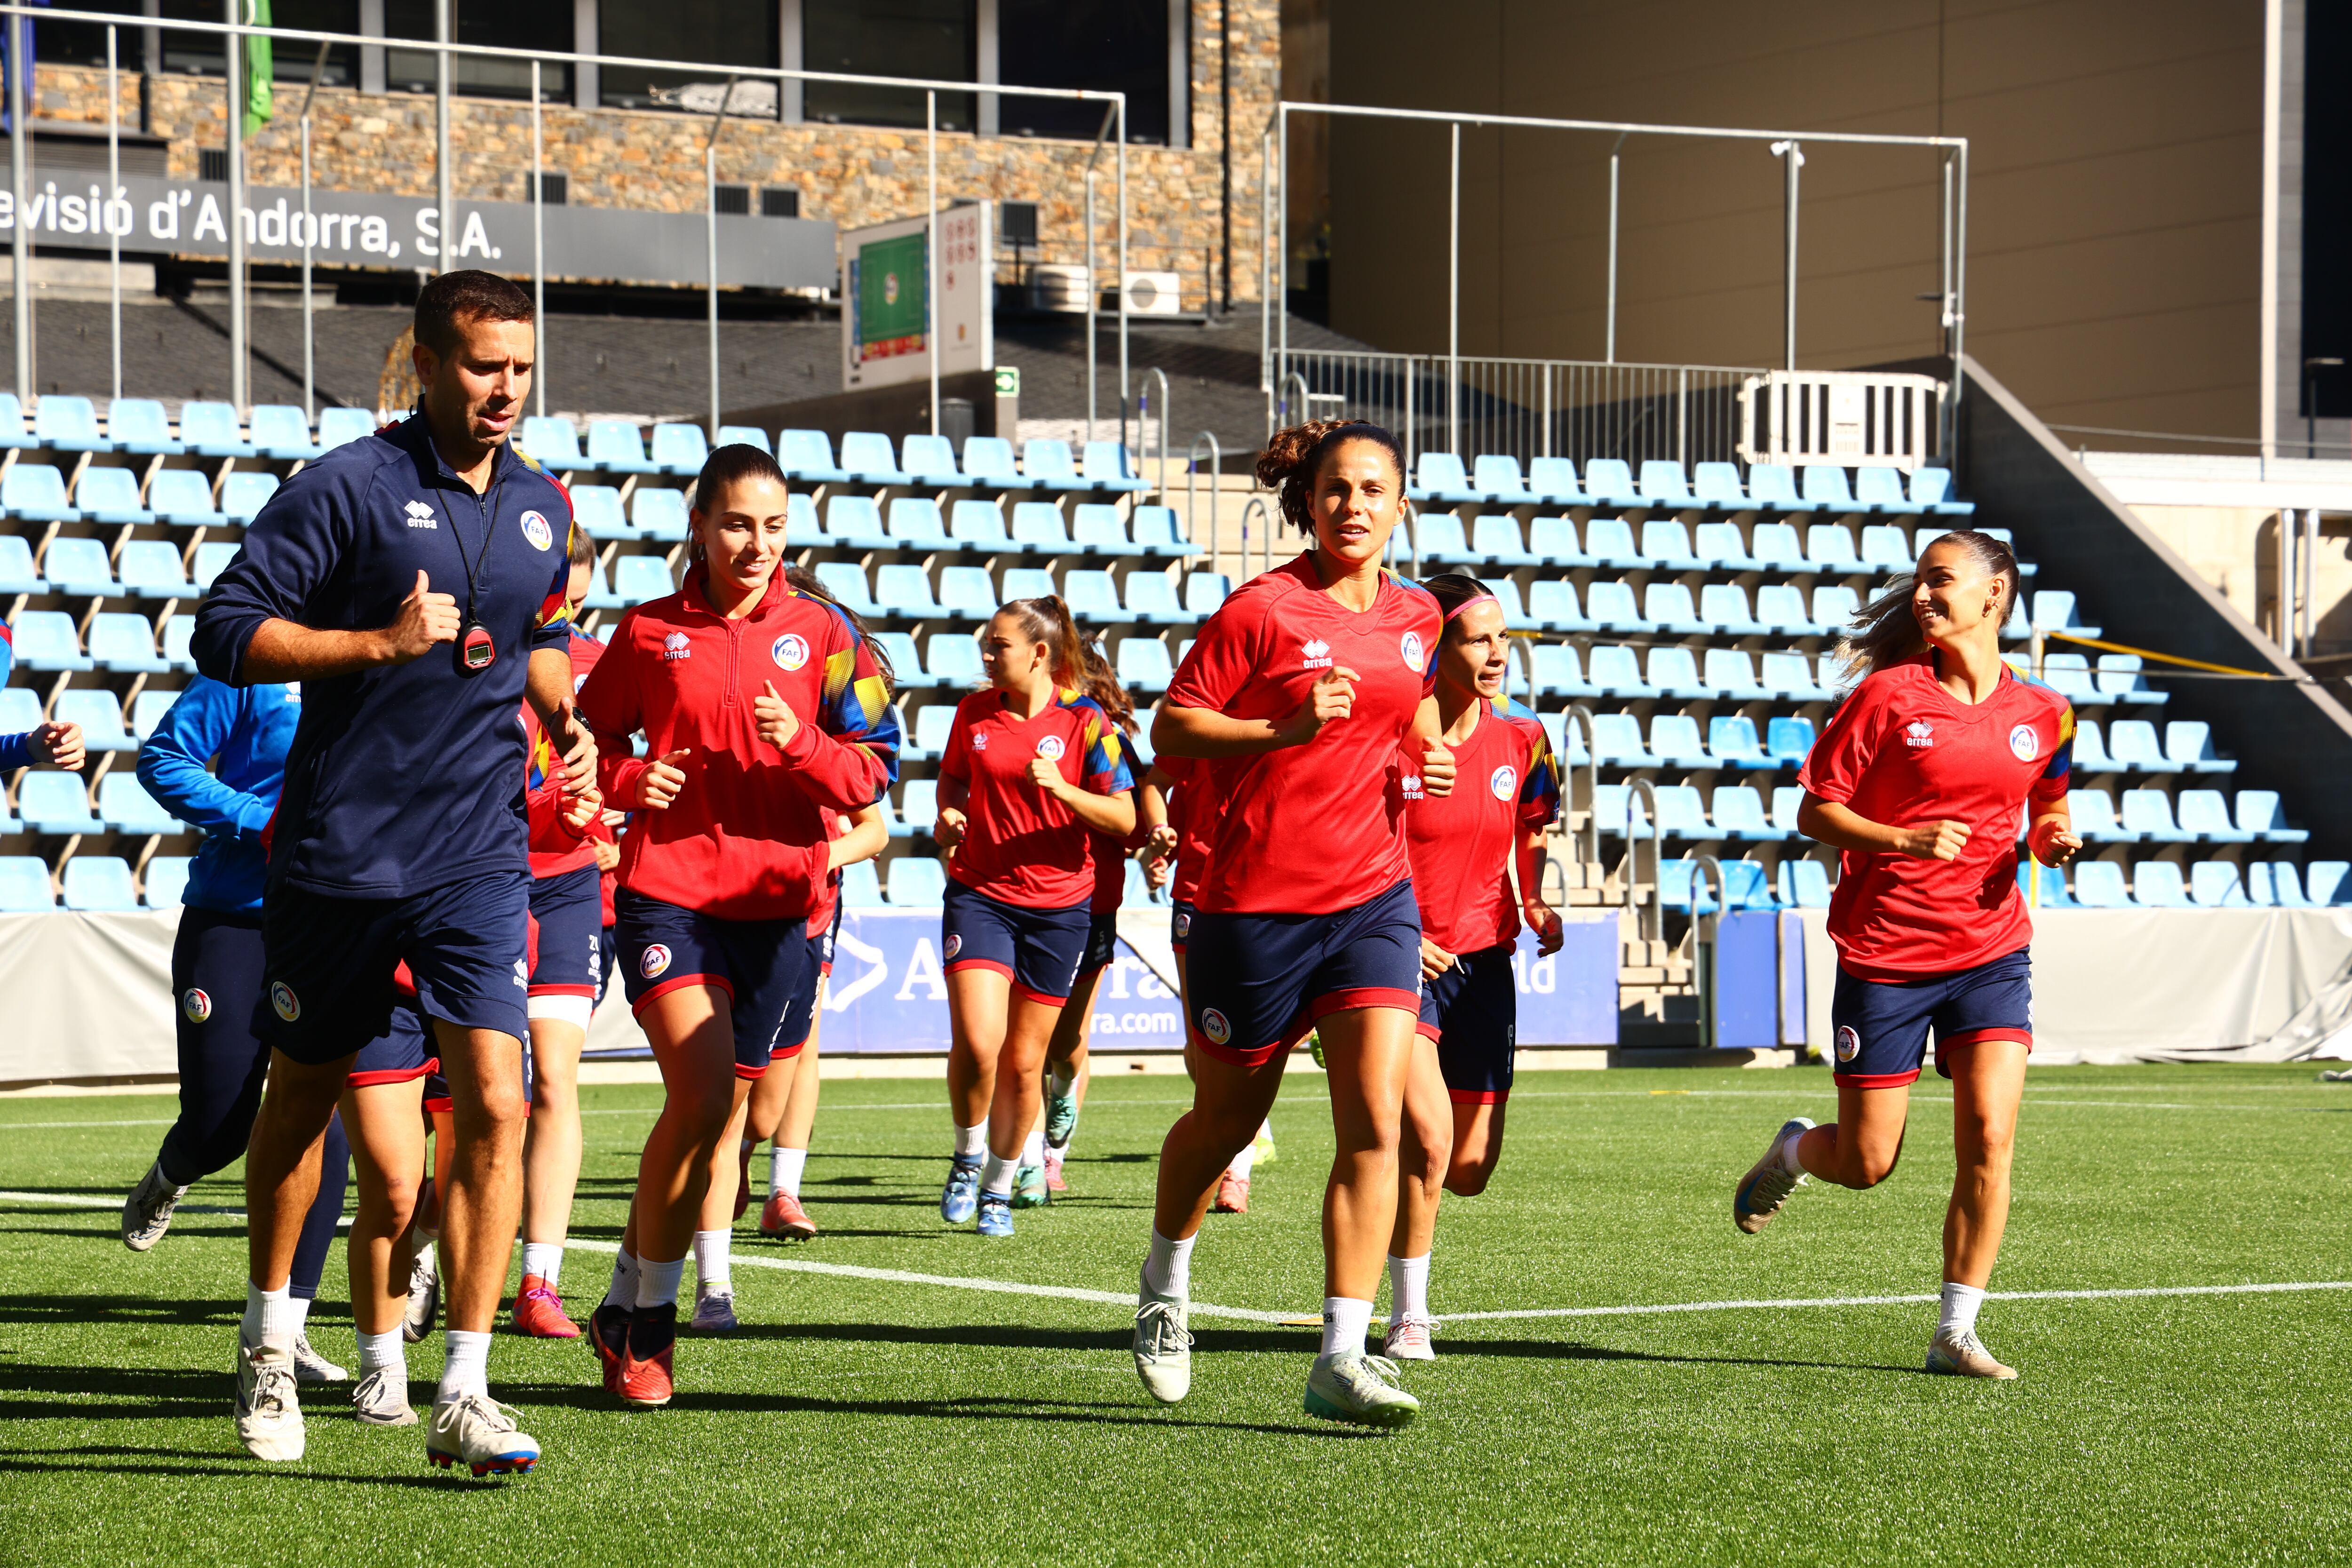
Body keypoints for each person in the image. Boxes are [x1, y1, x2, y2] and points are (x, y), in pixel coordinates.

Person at [192, 269, 597, 1474]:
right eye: (483, 366)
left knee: (500, 1098)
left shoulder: (542, 503)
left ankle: (463, 1389)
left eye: (521, 367)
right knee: (304, 1102)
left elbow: (537, 630)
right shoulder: (348, 486)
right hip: (340, 855)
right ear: (425, 363)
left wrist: (562, 714)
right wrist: (371, 643)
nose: (506, 389)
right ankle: (270, 1349)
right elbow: (225, 628)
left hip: (478, 854)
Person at [1131, 418, 1453, 1428]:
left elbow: (1407, 714)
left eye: (1372, 488)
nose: (1353, 504)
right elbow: (1172, 724)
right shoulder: (1262, 609)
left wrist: (1421, 757)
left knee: (1377, 1123)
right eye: (1335, 490)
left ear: (1401, 504)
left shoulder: (1419, 616)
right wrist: (1285, 725)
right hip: (1251, 904)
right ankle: (1165, 1281)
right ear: (1307, 504)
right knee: (1226, 1119)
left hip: (1372, 898)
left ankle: (1341, 1355)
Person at [575, 443, 898, 1407]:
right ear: (699, 526)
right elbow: (582, 744)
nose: (755, 543)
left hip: (781, 906)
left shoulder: (832, 634)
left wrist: (800, 743)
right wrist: (633, 782)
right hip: (668, 892)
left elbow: (876, 768)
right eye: (736, 524)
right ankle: (651, 1328)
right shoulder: (644, 633)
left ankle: (618, 1301)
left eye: (772, 525)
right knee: (706, 1098)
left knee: (716, 1112)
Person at [1732, 529, 2077, 1381]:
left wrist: (2056, 832)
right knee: (1867, 1161)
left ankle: (1954, 1331)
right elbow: (1814, 812)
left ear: (1995, 595)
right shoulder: (1887, 697)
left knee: (1991, 1137)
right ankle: (1792, 1152)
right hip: (1887, 953)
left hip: (1994, 951)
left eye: (1942, 580)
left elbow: (2050, 799)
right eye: (1922, 581)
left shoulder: (2047, 712)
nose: (1924, 594)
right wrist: (1905, 838)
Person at [119, 676, 353, 1383]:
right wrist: (260, 817)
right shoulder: (250, 662)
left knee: (325, 1125)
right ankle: (170, 1174)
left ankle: (287, 1332)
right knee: (221, 1123)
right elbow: (164, 758)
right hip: (234, 917)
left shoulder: (389, 646)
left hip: (336, 920)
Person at [1383, 571, 1562, 1361]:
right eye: (1478, 638)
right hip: (1396, 960)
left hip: (1485, 959)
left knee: (1468, 1166)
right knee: (1425, 1139)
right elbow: (1346, 834)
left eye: (1503, 638)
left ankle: (1374, 1177)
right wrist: (1392, 927)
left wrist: (1539, 900)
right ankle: (1407, 1314)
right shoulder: (1390, 739)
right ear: (1436, 646)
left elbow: (1533, 825)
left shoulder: (1525, 738)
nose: (1498, 653)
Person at [933, 597, 1136, 1239]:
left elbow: (1127, 820)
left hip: (1059, 910)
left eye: (999, 646)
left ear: (1039, 653)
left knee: (1026, 1063)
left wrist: (1065, 789)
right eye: (986, 646)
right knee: (977, 1038)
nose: (987, 657)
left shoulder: (1087, 722)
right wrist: (950, 815)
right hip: (980, 894)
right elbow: (953, 782)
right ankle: (967, 1156)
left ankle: (998, 1187)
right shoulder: (973, 713)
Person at [689, 798, 886, 1330]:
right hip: (706, 910)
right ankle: (704, 1287)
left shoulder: (831, 726)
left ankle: (767, 1175)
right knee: (711, 1107)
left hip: (804, 915)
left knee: (760, 1113)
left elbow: (873, 826)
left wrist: (822, 857)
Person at [510, 528, 616, 1339]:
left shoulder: (603, 662)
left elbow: (627, 768)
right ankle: (429, 1246)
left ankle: (539, 1279)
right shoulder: (475, 655)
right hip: (477, 885)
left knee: (554, 1080)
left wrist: (616, 813)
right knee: (482, 1096)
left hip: (570, 885)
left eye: (570, 574)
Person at [1032, 631, 1164, 1201]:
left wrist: (1154, 843)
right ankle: (1030, 1160)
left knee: (1064, 1043)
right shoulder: (1004, 724)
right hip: (1016, 901)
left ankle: (1057, 1123)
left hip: (1090, 905)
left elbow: (1134, 818)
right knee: (1016, 1043)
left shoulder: (1104, 737)